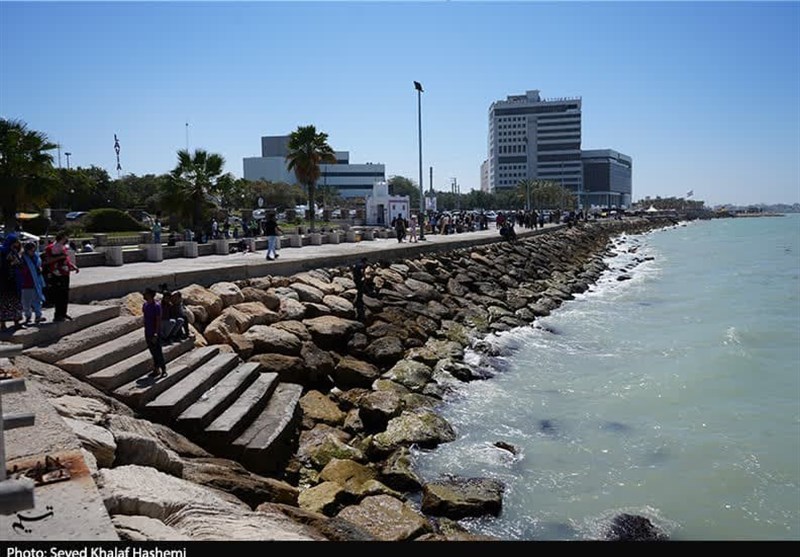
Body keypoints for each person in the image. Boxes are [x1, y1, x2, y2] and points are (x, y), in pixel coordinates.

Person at [44, 233, 80, 322]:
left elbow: (65, 259)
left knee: (65, 294)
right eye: (65, 238)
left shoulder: (63, 247)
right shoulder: (50, 248)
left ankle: (63, 313)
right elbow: (48, 260)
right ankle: (58, 315)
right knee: (58, 295)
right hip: (56, 274)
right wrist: (61, 256)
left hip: (65, 273)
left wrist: (72, 266)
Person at [0, 234, 24, 332]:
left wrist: (16, 263)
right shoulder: (2, 252)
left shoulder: (14, 252)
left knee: (15, 301)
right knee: (3, 302)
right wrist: (9, 263)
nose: (17, 244)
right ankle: (2, 324)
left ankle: (16, 322)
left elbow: (20, 264)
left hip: (14, 281)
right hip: (4, 281)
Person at [19, 241, 46, 325]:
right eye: (31, 250)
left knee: (37, 300)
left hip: (36, 282)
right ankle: (28, 316)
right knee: (26, 302)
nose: (33, 252)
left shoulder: (36, 257)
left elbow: (38, 266)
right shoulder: (22, 259)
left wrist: (39, 269)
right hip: (26, 283)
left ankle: (38, 316)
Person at [142, 287, 167, 379]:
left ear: (150, 295)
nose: (143, 295)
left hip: (154, 332)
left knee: (158, 351)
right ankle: (156, 369)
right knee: (152, 351)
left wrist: (156, 333)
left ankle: (163, 369)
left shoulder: (156, 306)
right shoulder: (145, 305)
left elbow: (158, 320)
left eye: (145, 293)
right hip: (147, 331)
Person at [352, 257, 368, 322]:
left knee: (358, 289)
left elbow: (353, 270)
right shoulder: (362, 265)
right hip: (359, 279)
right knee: (360, 290)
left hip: (355, 278)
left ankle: (358, 301)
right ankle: (359, 301)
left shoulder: (357, 264)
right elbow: (362, 272)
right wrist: (363, 277)